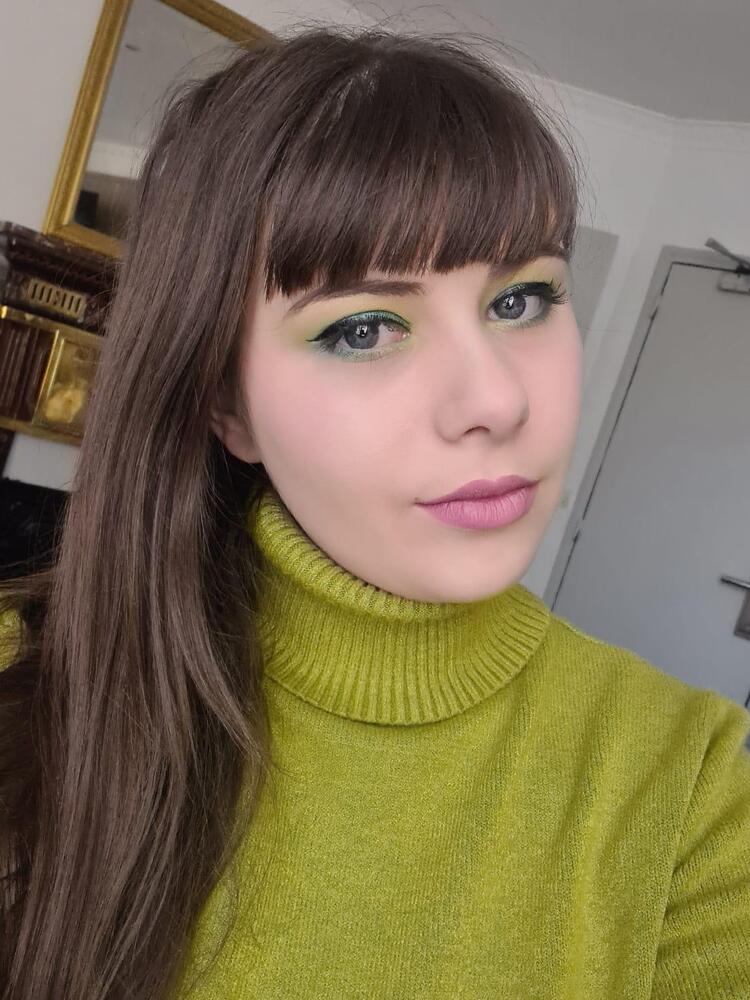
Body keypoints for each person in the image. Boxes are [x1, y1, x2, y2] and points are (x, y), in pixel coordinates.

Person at [1, 23, 749, 1000]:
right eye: (363, 328)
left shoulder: (690, 783)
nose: (496, 401)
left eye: (521, 300)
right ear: (227, 405)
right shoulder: (24, 687)